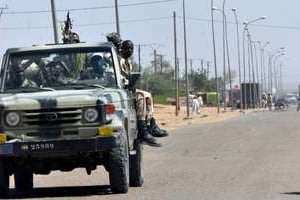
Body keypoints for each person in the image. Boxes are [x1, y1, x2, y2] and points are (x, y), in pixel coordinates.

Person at [107, 32, 162, 147]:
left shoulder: (124, 60)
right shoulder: (112, 58)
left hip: (126, 87)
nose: (127, 51)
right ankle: (143, 130)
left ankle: (150, 124)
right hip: (118, 89)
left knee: (147, 95)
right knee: (141, 97)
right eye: (124, 47)